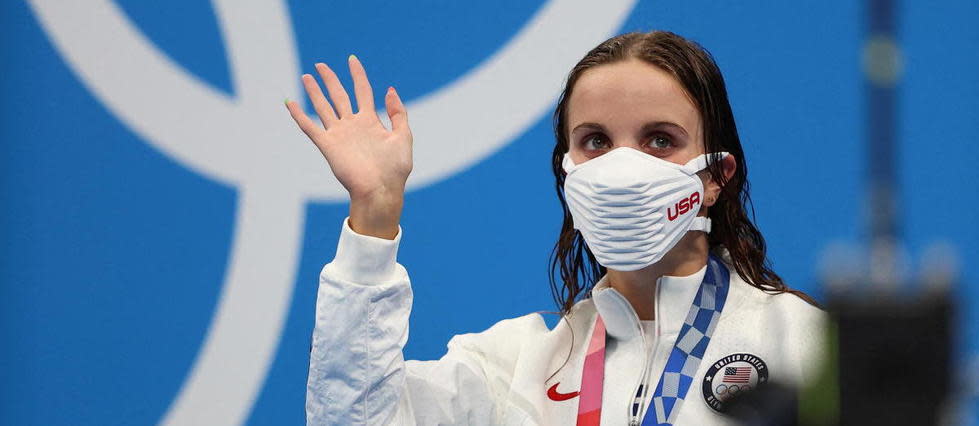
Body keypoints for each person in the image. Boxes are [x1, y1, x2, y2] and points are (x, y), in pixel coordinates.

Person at [286, 30, 827, 426]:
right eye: (595, 141)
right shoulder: (514, 367)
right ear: (567, 171)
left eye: (660, 139)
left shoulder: (802, 345)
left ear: (715, 176)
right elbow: (350, 419)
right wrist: (375, 215)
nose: (623, 169)